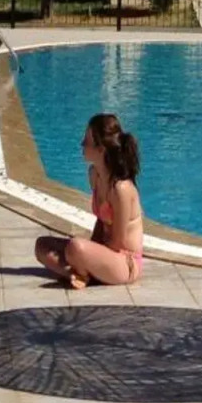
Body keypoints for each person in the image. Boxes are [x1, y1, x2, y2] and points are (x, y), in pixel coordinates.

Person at [34, 114, 144, 288]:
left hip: (125, 262)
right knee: (42, 245)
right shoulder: (95, 175)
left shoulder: (121, 189)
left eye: (86, 141)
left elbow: (118, 242)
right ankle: (76, 274)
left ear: (101, 149)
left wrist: (88, 252)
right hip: (106, 252)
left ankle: (82, 270)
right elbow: (101, 221)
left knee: (75, 248)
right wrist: (90, 250)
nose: (82, 145)